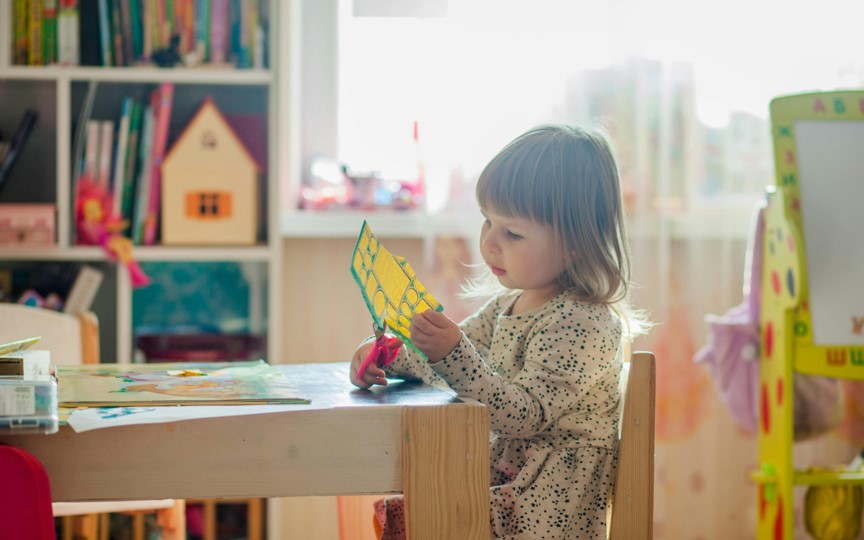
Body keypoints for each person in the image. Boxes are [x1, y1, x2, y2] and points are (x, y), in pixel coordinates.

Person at [349, 124, 648, 539]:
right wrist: (384, 355)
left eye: (512, 233)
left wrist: (452, 353)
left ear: (578, 242)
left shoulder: (585, 323)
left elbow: (523, 415)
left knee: (427, 509)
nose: (488, 242)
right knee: (418, 500)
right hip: (510, 483)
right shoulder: (509, 304)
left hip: (545, 506)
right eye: (488, 222)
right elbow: (448, 361)